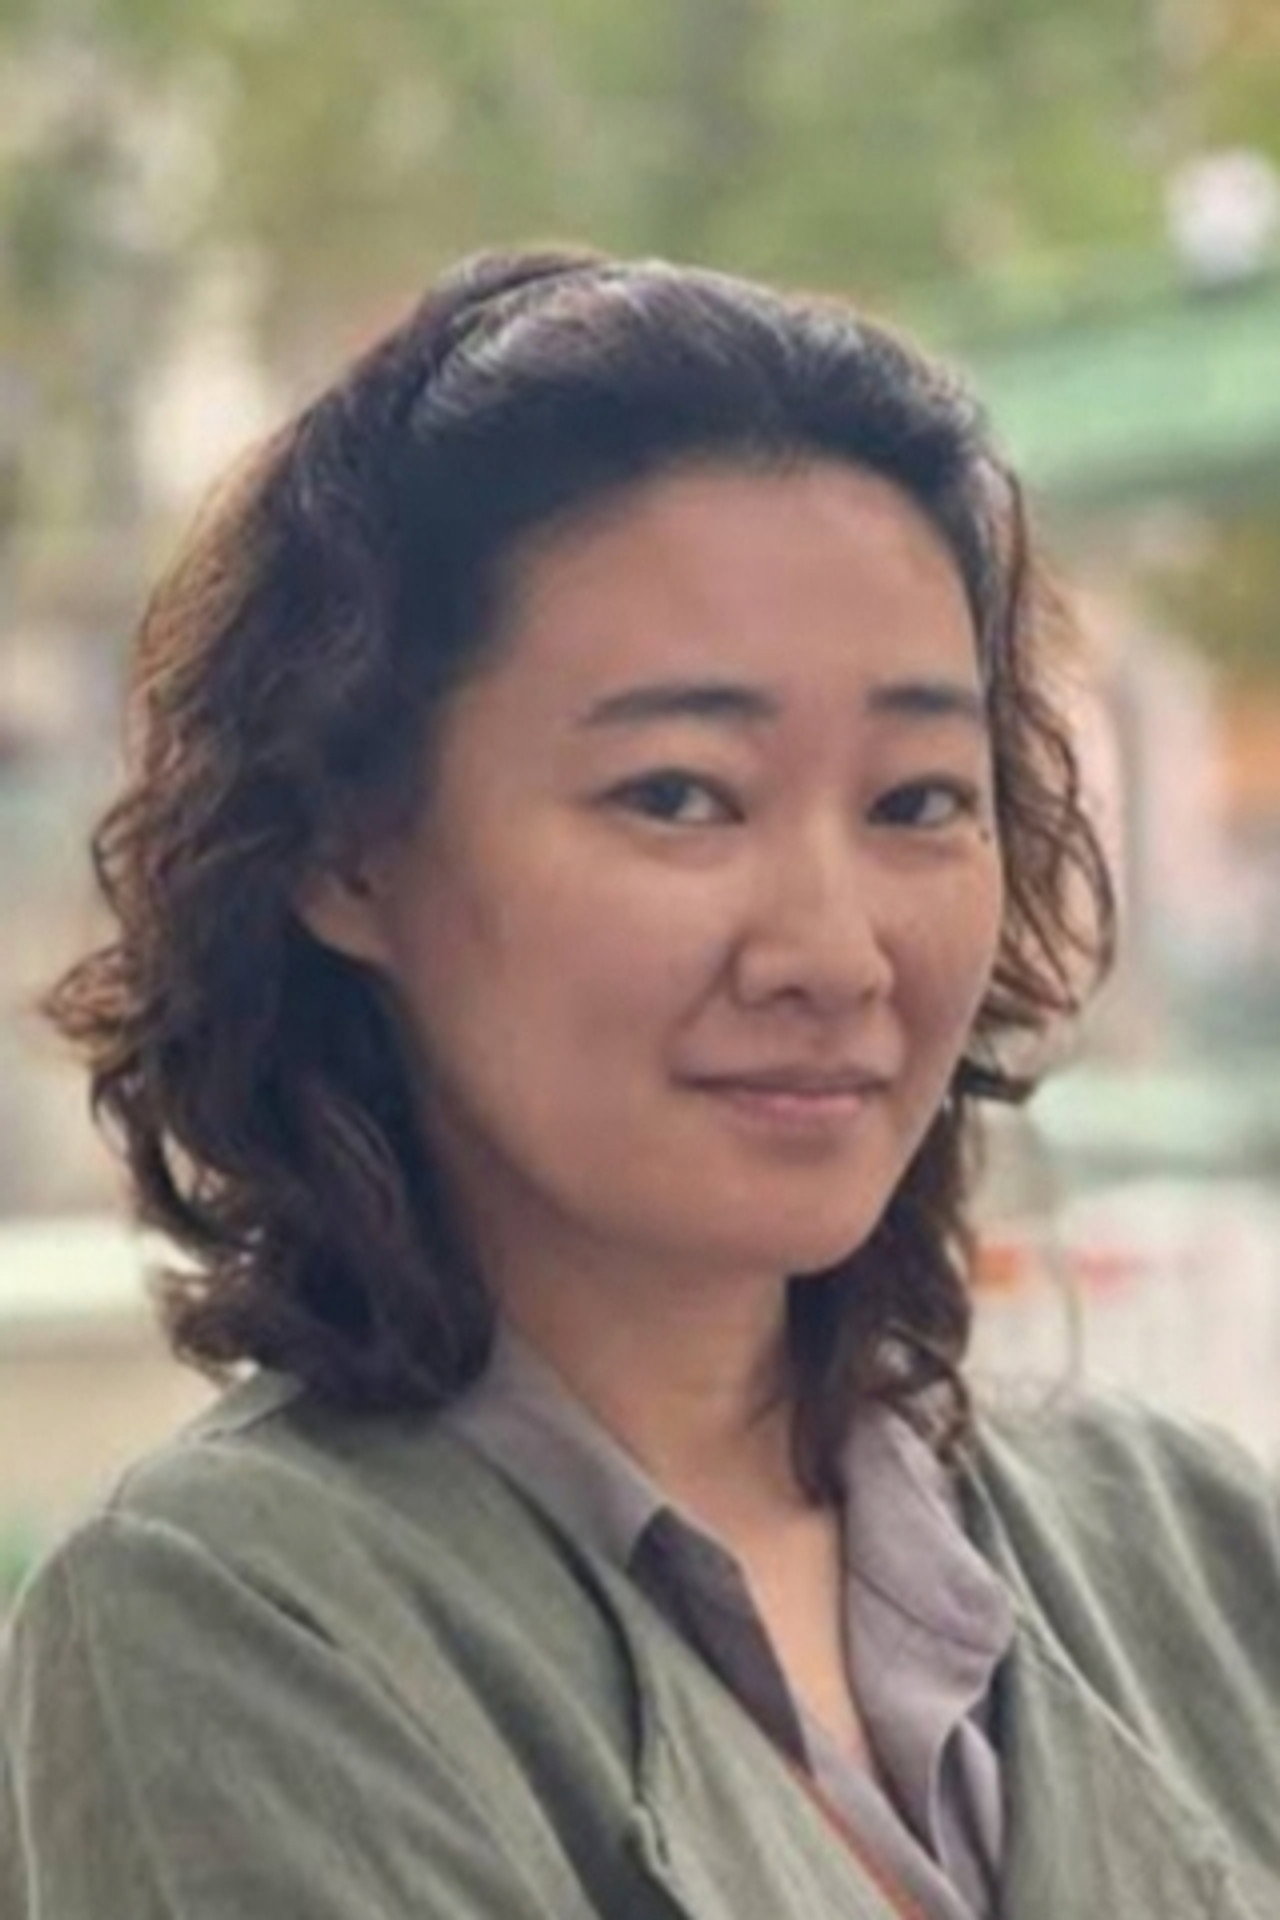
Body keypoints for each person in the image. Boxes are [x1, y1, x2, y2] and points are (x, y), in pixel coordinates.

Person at [2, 247, 1277, 1920]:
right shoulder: (238, 1626)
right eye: (679, 795)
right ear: (349, 850)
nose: (835, 952)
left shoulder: (1191, 1548)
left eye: (917, 801)